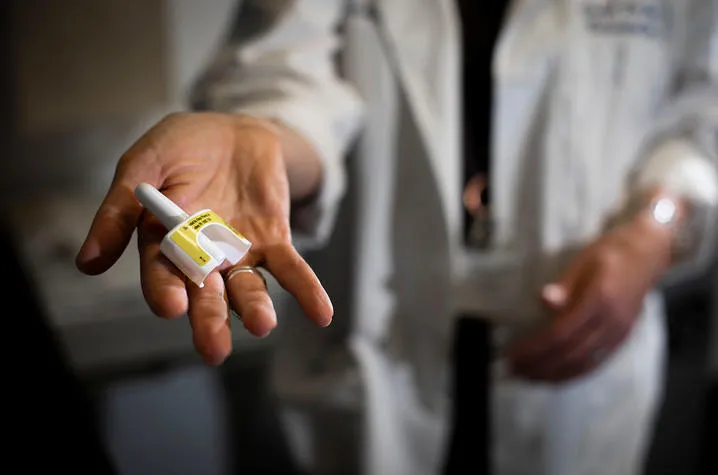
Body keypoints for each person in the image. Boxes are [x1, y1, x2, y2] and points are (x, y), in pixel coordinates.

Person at [76, 1, 718, 474]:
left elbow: (703, 108)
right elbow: (283, 76)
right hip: (378, 355)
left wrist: (653, 232)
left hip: (576, 364)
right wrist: (267, 142)